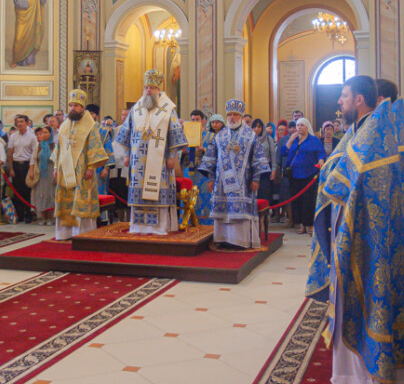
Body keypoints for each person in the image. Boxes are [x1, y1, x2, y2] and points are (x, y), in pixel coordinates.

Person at [307, 75, 404, 384]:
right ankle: (385, 371)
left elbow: (337, 181)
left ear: (359, 100)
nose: (340, 102)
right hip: (382, 238)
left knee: (368, 300)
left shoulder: (371, 137)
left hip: (364, 240)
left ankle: (363, 377)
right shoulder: (380, 133)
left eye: (345, 97)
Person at [113, 70, 188, 235]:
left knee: (156, 192)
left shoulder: (168, 110)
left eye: (152, 88)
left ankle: (159, 227)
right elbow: (126, 134)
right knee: (139, 193)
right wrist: (126, 154)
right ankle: (138, 226)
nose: (148, 90)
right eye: (146, 87)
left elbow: (174, 135)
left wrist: (171, 157)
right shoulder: (136, 109)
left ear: (158, 90)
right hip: (138, 162)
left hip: (159, 162)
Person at [199, 100, 271, 250]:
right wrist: (211, 178)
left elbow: (257, 158)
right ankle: (222, 238)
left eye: (235, 115)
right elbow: (211, 157)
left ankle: (240, 240)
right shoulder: (219, 136)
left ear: (241, 116)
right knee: (223, 210)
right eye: (229, 115)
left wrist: (256, 179)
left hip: (243, 182)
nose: (232, 117)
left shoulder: (250, 135)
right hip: (221, 184)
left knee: (240, 211)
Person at [51, 89, 109, 240]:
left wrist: (91, 167)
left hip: (82, 171)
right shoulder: (64, 125)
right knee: (66, 202)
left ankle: (83, 233)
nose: (73, 108)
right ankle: (65, 233)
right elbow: (59, 148)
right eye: (71, 105)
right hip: (65, 171)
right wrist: (56, 168)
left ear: (83, 108)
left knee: (81, 200)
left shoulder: (91, 125)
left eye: (77, 106)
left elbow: (94, 147)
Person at [281, 118, 324, 235]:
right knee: (297, 201)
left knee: (308, 201)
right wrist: (290, 140)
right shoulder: (294, 140)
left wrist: (321, 160)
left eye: (302, 125)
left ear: (307, 127)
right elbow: (283, 152)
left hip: (308, 175)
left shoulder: (313, 140)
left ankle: (309, 224)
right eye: (298, 125)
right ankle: (300, 225)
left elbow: (320, 152)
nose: (299, 127)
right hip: (294, 175)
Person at [6, 114, 38, 223]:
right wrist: (11, 169)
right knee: (17, 191)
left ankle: (28, 214)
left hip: (27, 165)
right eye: (18, 121)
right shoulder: (13, 136)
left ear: (26, 123)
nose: (19, 123)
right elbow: (10, 154)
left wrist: (31, 169)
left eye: (22, 121)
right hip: (16, 165)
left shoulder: (32, 137)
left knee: (27, 191)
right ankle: (19, 214)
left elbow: (34, 154)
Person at [252, 118, 279, 210]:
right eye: (254, 127)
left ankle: (265, 217)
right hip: (253, 170)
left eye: (259, 127)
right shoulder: (249, 139)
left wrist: (274, 170)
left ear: (262, 128)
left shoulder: (268, 139)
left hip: (266, 170)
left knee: (265, 192)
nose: (256, 129)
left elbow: (273, 155)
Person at [32, 125, 54, 225]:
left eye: (46, 132)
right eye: (42, 132)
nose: (44, 135)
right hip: (40, 174)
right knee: (40, 194)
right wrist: (31, 170)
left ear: (50, 134)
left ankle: (50, 217)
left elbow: (58, 160)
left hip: (51, 173)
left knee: (50, 194)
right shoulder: (39, 145)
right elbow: (33, 158)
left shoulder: (54, 145)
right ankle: (42, 217)